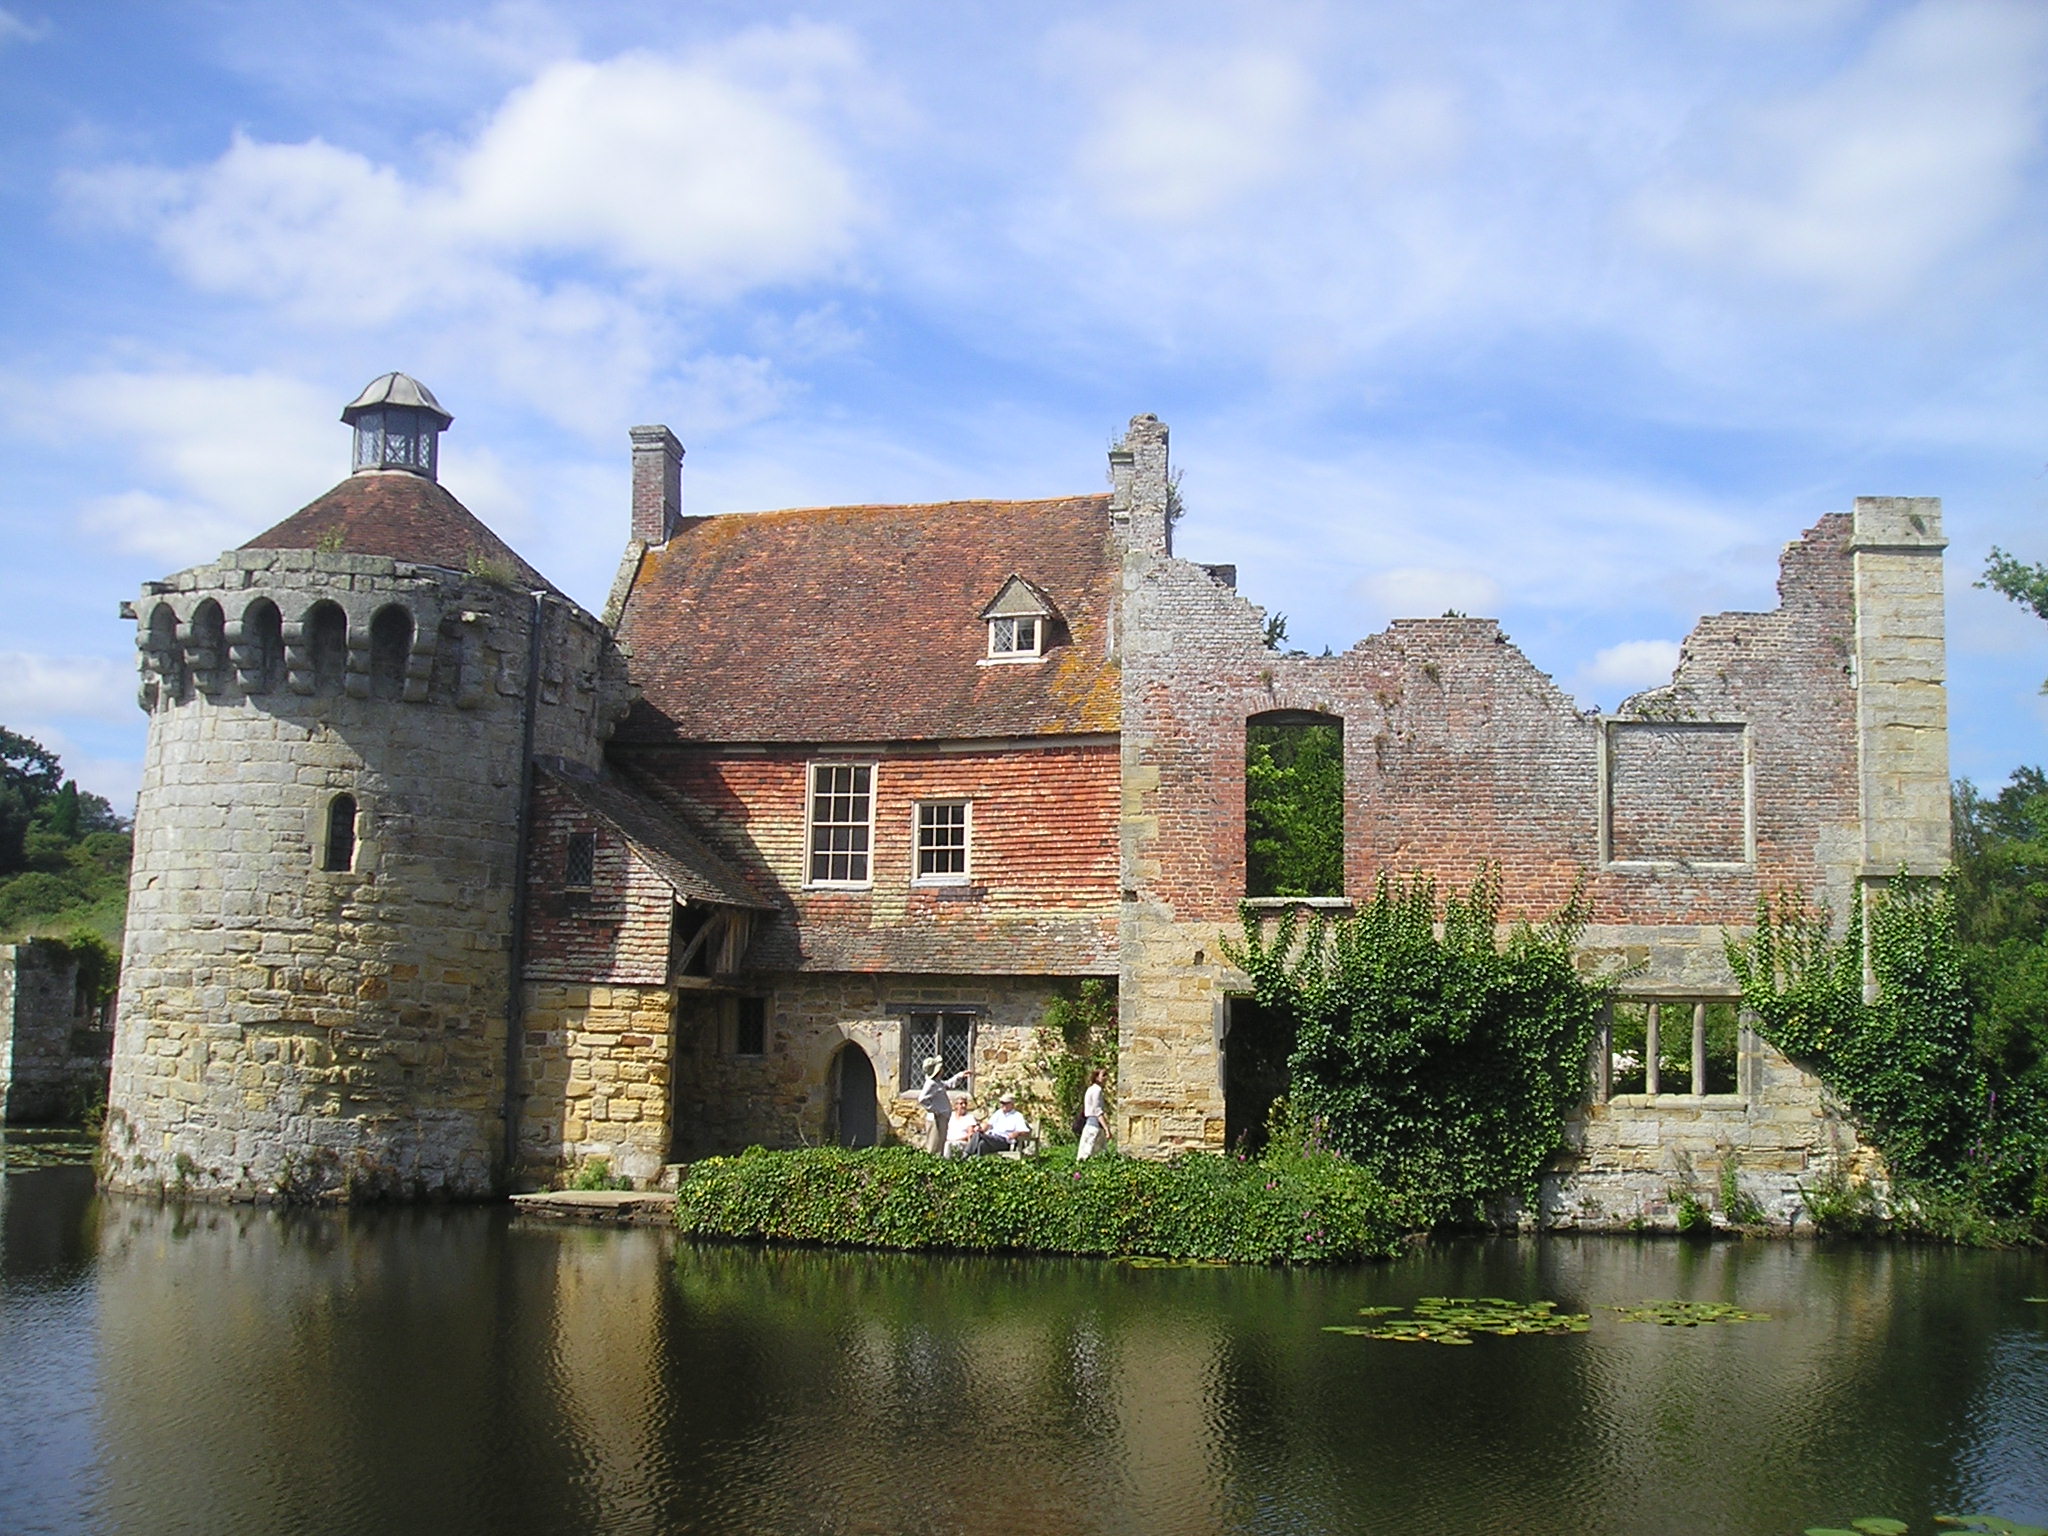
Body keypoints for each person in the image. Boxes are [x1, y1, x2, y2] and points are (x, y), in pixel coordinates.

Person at [912, 1055, 971, 1154]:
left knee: (940, 1145)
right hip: (936, 1119)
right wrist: (936, 1110)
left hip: (941, 1117)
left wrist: (960, 1075)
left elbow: (947, 1085)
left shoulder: (937, 1082)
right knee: (934, 1146)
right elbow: (922, 1099)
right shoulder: (931, 1083)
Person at [1077, 1068, 1108, 1161]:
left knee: (1088, 1152)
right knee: (1091, 1152)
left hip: (1090, 1124)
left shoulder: (1091, 1089)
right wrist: (1106, 1128)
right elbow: (1097, 1111)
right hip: (1094, 1125)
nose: (1106, 1078)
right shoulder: (1097, 1090)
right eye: (1103, 1075)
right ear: (1096, 1078)